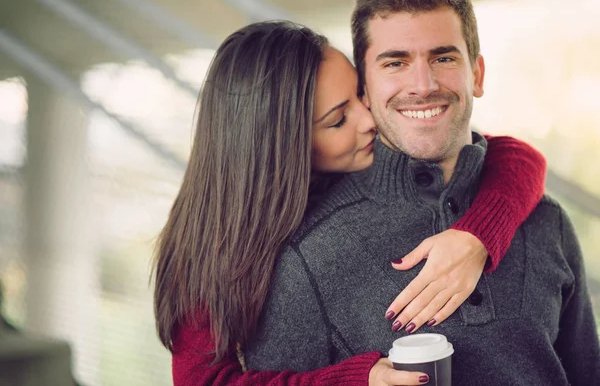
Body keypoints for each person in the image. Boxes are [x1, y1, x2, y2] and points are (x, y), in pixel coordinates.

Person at [154, 20, 547, 386]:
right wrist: (355, 379)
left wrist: (476, 237)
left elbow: (517, 156)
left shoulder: (349, 171)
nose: (369, 119)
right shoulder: (208, 252)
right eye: (338, 120)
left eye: (360, 94)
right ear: (282, 145)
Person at [242, 0, 600, 385]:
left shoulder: (547, 220)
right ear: (364, 87)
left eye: (443, 57)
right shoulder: (304, 257)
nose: (423, 84)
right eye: (395, 63)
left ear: (477, 74)